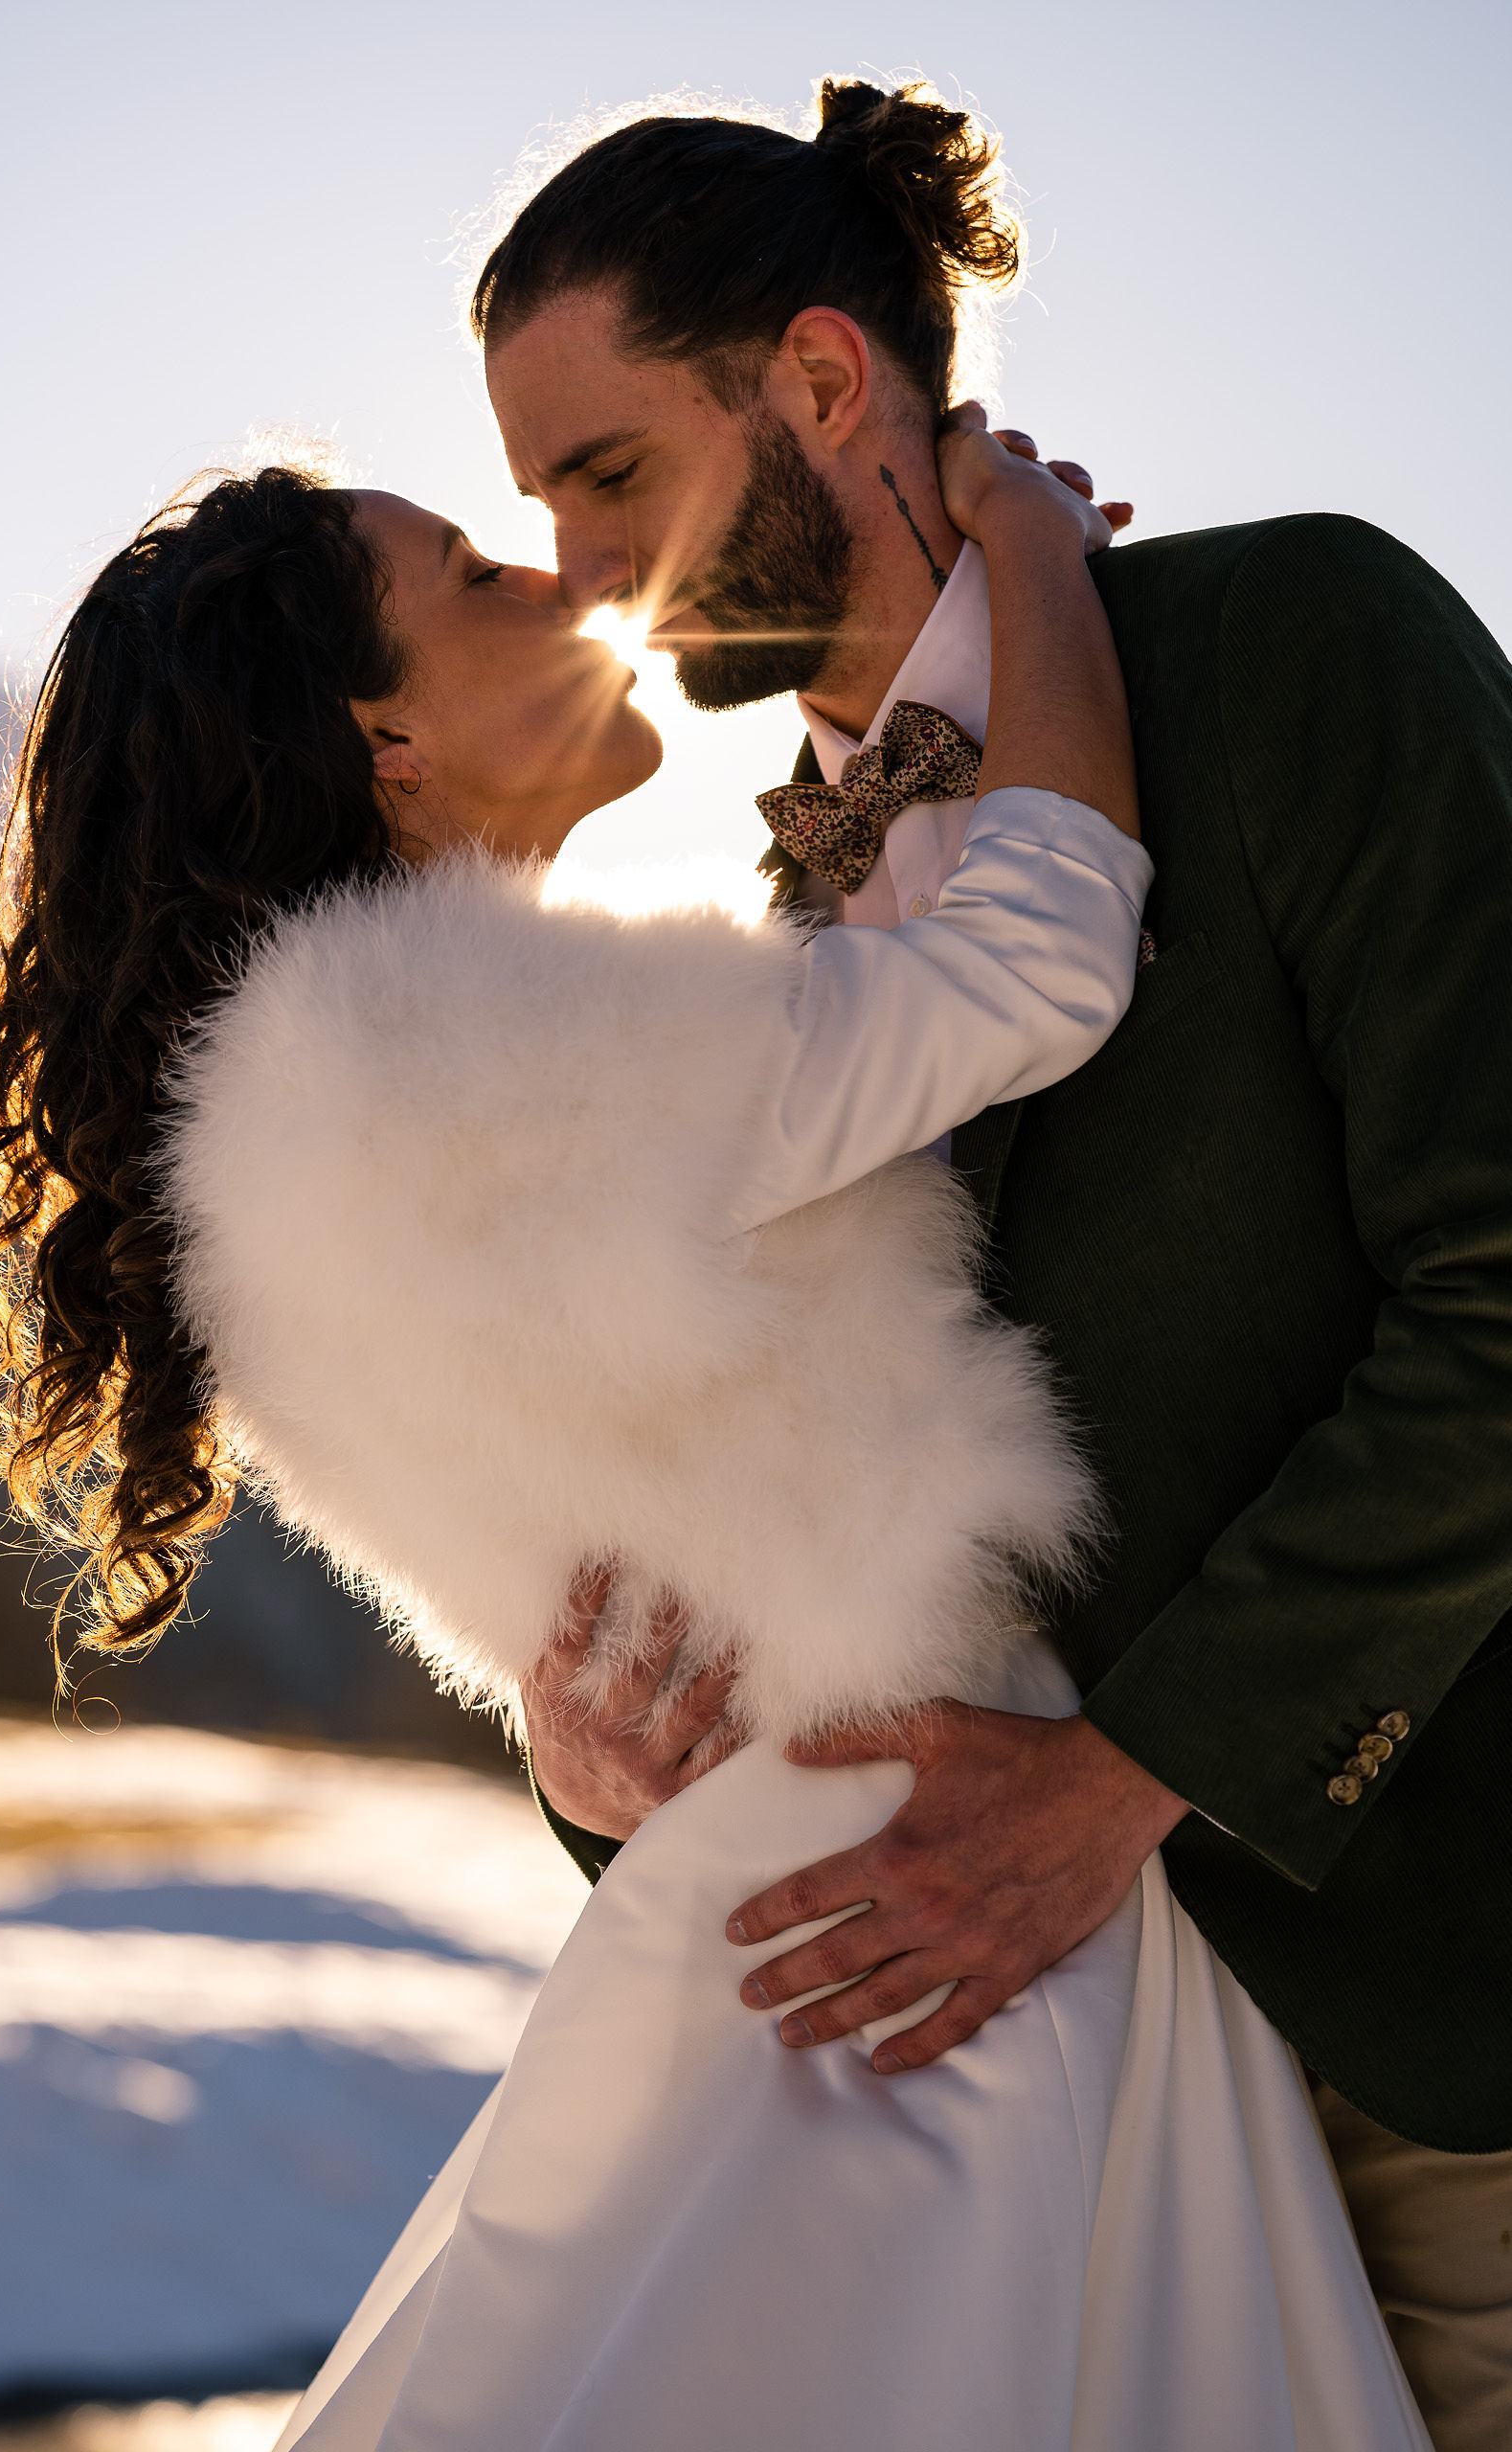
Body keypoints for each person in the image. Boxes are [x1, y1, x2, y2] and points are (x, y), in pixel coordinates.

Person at [0, 420, 1425, 2439]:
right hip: (938, 1916)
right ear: (385, 743)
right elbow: (1037, 965)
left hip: (759, 1913)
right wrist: (1043, 557)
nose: (571, 586)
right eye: (482, 575)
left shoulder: (284, 1133)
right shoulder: (476, 1044)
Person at [464, 72, 1512, 2452]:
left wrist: (1131, 1774)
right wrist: (601, 1760)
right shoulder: (755, 971)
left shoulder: (1293, 646)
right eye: (535, 510)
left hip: (1449, 2053)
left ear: (825, 382)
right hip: (1031, 2140)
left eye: (605, 474)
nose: (582, 572)